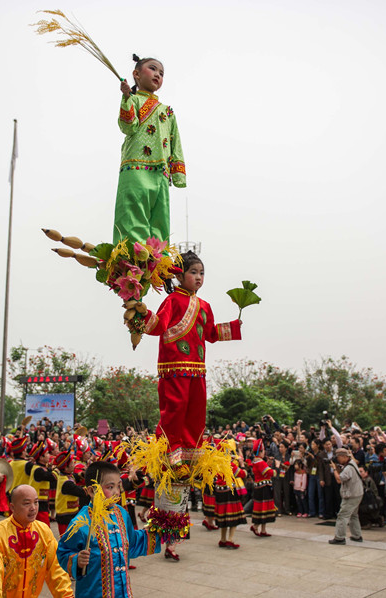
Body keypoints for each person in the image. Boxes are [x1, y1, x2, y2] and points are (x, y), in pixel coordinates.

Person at [138, 251, 242, 467]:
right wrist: (141, 314)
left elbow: (211, 334)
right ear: (180, 275)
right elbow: (158, 326)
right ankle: (169, 451)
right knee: (175, 410)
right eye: (193, 272)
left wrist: (233, 327)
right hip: (174, 367)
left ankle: (191, 455)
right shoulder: (172, 300)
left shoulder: (204, 306)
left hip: (197, 368)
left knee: (196, 412)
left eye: (202, 273)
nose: (199, 277)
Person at [57, 461, 162, 596]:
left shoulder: (121, 514)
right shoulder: (81, 523)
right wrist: (77, 560)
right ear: (91, 490)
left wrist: (160, 531)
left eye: (118, 487)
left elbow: (133, 542)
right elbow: (63, 552)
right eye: (110, 487)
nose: (116, 493)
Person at [114, 54, 186, 244]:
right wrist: (126, 97)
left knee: (159, 222)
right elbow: (128, 126)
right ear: (136, 74)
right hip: (135, 167)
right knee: (131, 216)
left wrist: (177, 174)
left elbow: (175, 142)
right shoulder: (133, 100)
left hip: (161, 172)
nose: (158, 75)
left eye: (161, 73)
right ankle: (129, 263)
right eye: (153, 69)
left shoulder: (167, 111)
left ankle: (157, 267)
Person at [0, 484, 73, 598]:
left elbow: (56, 571)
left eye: (36, 502)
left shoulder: (43, 531)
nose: (33, 508)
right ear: (12, 507)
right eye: (26, 503)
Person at [328, 448, 363, 545]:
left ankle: (339, 537)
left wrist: (334, 469)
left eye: (338, 457)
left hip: (351, 495)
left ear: (344, 457)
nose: (337, 459)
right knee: (353, 515)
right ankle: (357, 535)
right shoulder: (351, 463)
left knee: (342, 515)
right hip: (357, 493)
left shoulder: (348, 468)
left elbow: (339, 479)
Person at [249, 439, 276, 537]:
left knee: (262, 508)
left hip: (261, 487)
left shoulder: (257, 461)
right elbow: (268, 472)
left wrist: (268, 464)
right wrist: (275, 469)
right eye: (263, 450)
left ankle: (263, 529)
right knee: (263, 508)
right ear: (260, 451)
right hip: (263, 488)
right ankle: (256, 526)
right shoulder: (260, 462)